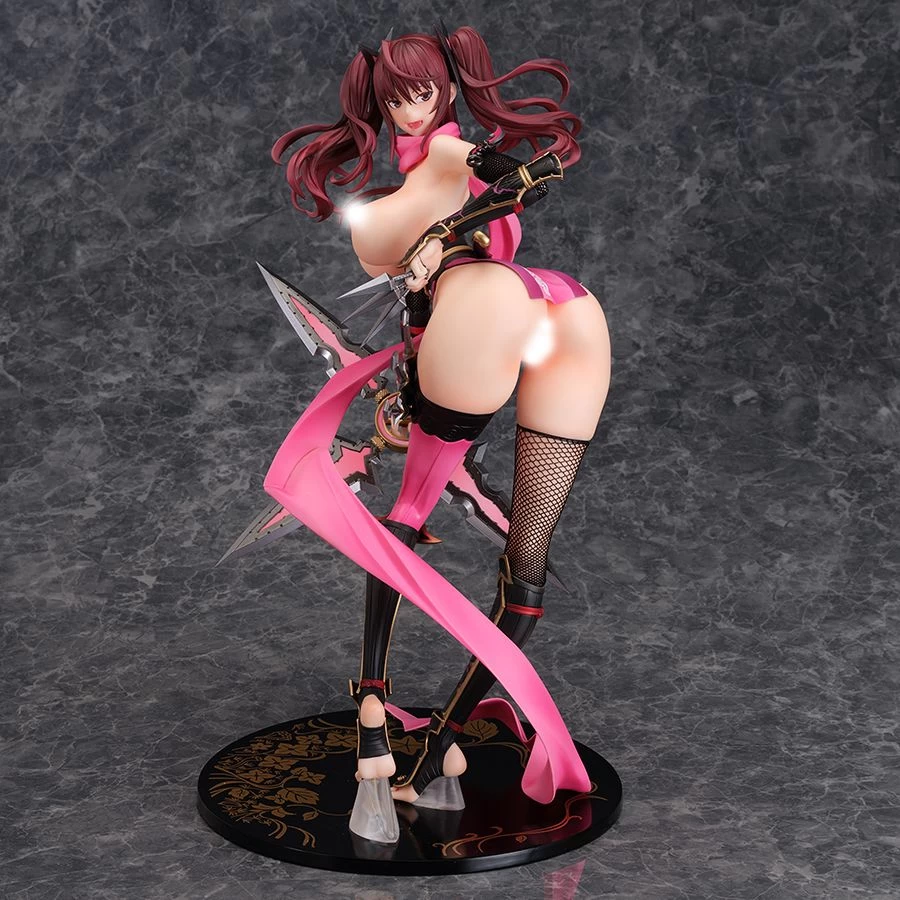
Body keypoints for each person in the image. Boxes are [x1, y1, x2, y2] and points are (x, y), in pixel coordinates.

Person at [265, 25, 611, 837]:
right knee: (523, 561)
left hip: (485, 309)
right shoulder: (407, 191)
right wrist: (494, 188)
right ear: (380, 106)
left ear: (448, 87)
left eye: (422, 91)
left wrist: (466, 210)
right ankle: (442, 751)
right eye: (396, 98)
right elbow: (504, 179)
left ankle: (374, 713)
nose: (412, 108)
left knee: (409, 516)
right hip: (564, 311)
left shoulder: (440, 165)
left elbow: (497, 172)